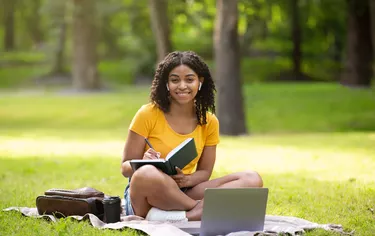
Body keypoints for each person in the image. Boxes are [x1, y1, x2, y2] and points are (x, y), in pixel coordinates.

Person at [121, 51, 263, 222]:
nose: (182, 86)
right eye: (175, 80)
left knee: (251, 178)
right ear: (166, 83)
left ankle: (185, 216)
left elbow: (204, 172)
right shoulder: (147, 114)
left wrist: (186, 180)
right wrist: (144, 162)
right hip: (148, 192)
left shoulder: (209, 121)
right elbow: (125, 167)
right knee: (146, 173)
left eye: (189, 79)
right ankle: (201, 210)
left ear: (200, 82)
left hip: (184, 190)